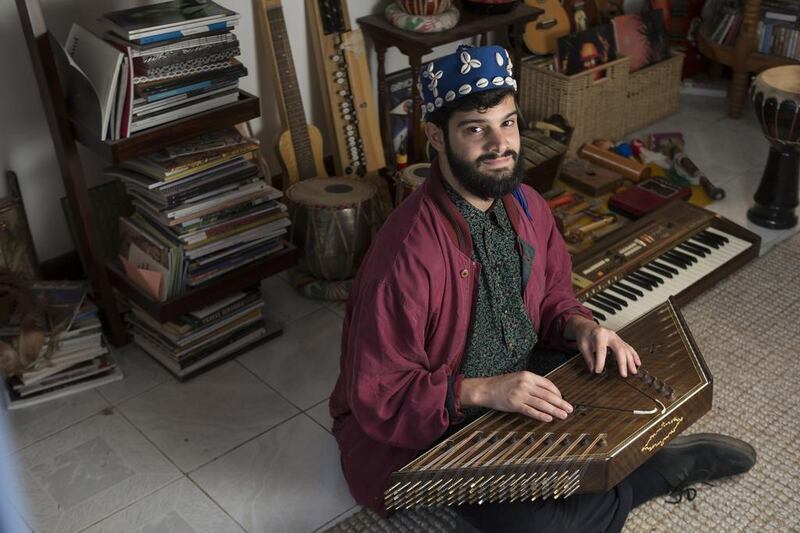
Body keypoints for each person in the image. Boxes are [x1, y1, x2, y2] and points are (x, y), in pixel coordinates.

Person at [329, 45, 755, 532]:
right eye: (475, 129)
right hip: (448, 419)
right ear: (436, 137)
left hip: (524, 374)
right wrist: (486, 390)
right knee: (543, 527)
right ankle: (651, 475)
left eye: (508, 123)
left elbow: (553, 296)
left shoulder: (527, 204)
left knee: (625, 373)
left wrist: (580, 327)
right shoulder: (406, 257)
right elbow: (380, 397)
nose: (499, 144)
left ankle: (628, 466)